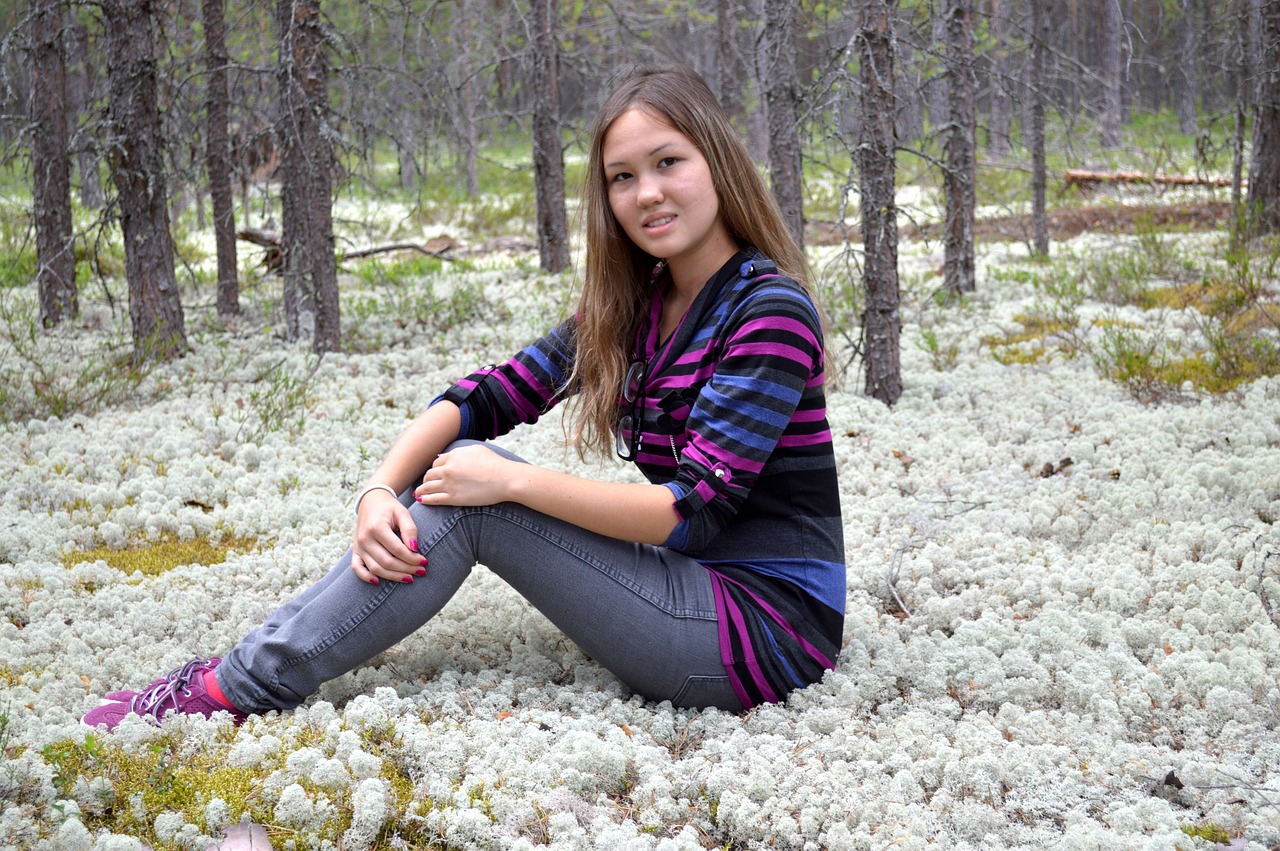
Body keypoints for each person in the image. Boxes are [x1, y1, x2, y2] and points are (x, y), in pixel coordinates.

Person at [84, 64, 846, 730]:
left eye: (667, 162)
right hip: (696, 590)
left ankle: (236, 684)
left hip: (764, 632)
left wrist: (511, 481)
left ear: (716, 160)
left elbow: (691, 509)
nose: (646, 193)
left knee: (475, 488)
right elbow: (487, 395)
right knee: (455, 465)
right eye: (622, 176)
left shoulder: (766, 309)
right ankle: (242, 671)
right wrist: (379, 489)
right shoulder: (637, 304)